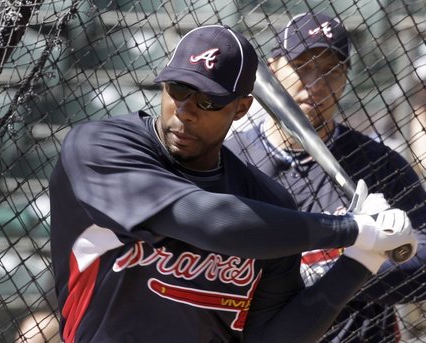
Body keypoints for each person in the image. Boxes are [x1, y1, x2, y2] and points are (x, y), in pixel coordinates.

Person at [49, 24, 417, 343]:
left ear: (241, 108)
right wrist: (350, 229)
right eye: (178, 89)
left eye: (208, 101)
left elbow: (272, 336)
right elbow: (207, 218)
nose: (185, 110)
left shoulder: (267, 203)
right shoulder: (100, 148)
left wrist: (363, 257)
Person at [225, 13, 426, 342]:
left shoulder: (379, 165)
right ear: (274, 68)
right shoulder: (230, 160)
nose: (316, 84)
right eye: (302, 66)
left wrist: (340, 270)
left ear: (346, 78)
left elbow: (423, 259)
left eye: (331, 70)